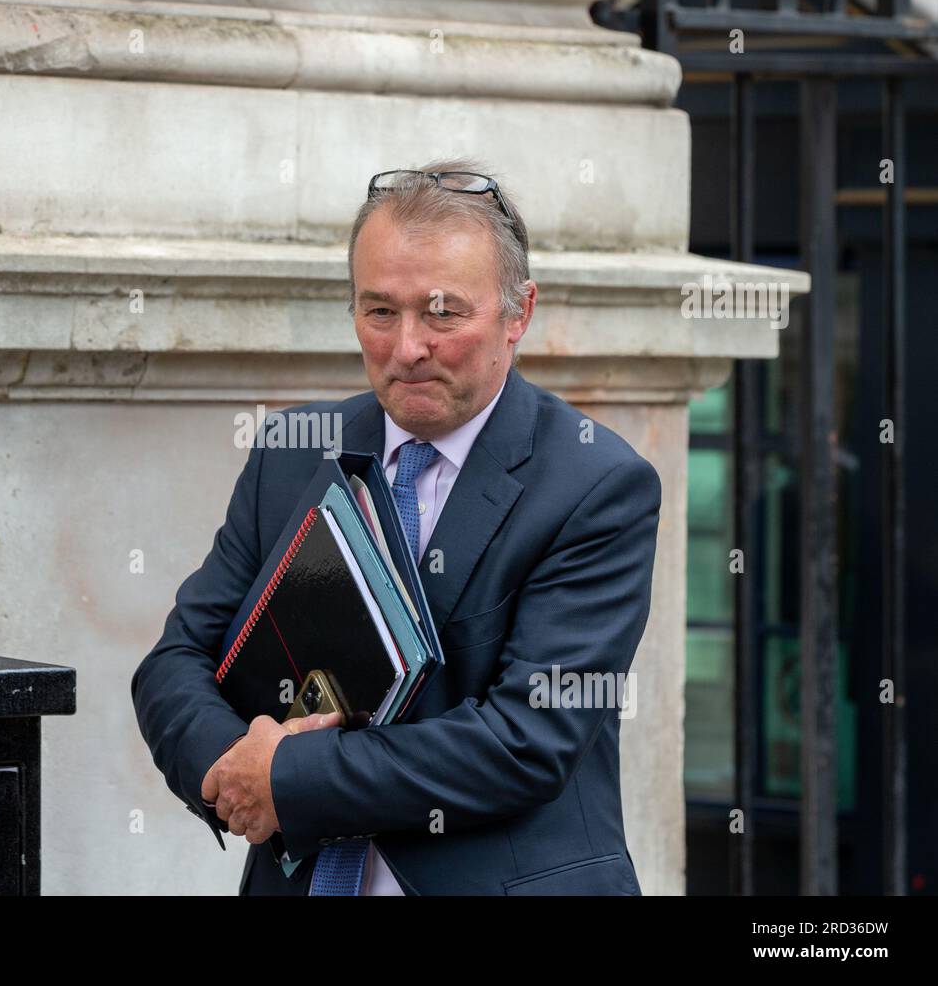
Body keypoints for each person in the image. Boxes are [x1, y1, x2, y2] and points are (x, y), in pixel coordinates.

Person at [131, 157, 660, 895]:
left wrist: (287, 777)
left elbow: (524, 742)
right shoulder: (291, 452)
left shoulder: (595, 485)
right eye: (380, 311)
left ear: (519, 314)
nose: (407, 347)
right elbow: (176, 660)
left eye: (442, 313)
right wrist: (231, 768)